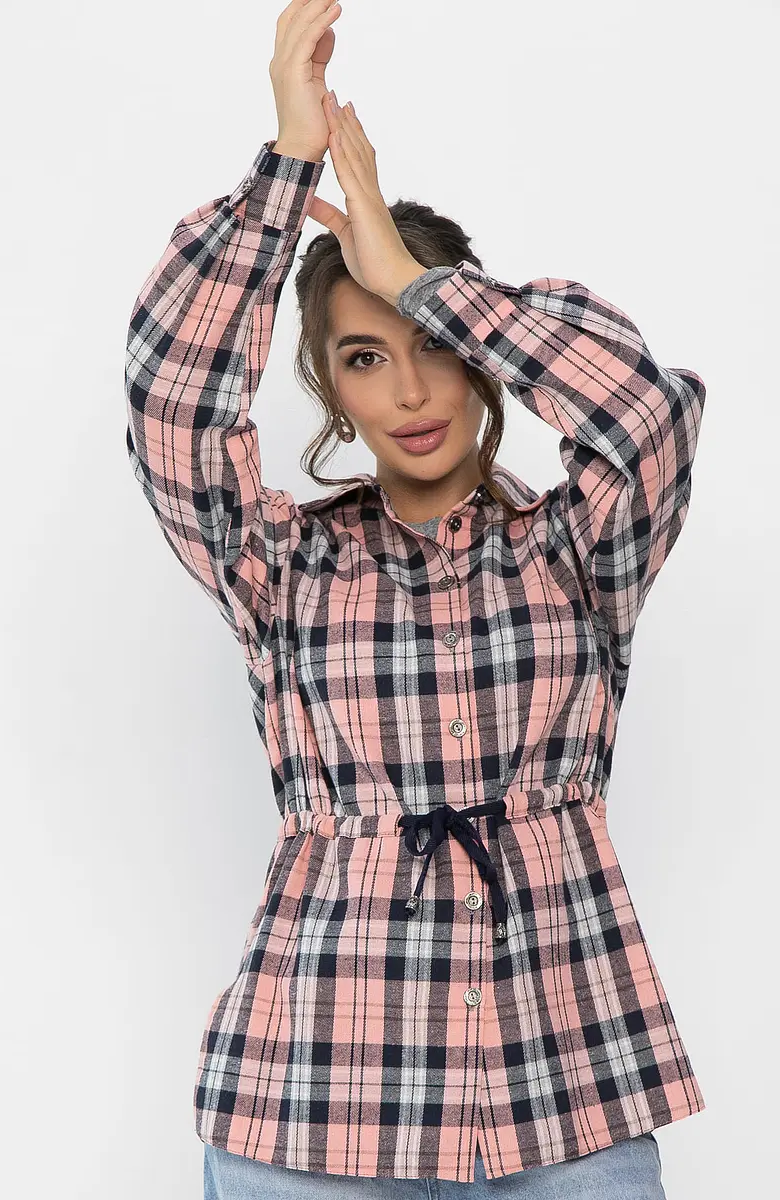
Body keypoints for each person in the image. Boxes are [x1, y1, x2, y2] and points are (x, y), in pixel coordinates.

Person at [123, 2, 707, 1195]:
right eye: (364, 356)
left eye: (431, 344)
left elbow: (645, 412)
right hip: (314, 1104)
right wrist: (287, 167)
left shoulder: (576, 549)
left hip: (566, 1094)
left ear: (479, 353)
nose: (408, 391)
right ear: (331, 391)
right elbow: (171, 406)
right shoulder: (281, 565)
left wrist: (414, 279)